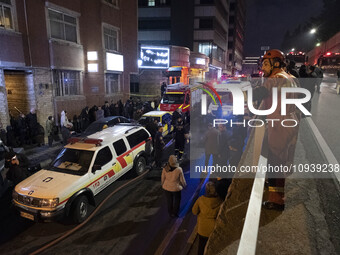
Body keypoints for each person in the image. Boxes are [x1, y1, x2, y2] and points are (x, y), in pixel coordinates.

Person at [253, 49, 300, 211]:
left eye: (266, 64)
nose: (263, 68)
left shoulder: (276, 78)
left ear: (276, 64)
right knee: (273, 158)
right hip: (289, 122)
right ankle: (271, 185)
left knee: (276, 162)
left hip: (279, 125)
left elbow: (259, 93)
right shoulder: (290, 78)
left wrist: (241, 95)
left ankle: (277, 200)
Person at [192, 182, 222, 255]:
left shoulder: (201, 200)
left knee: (201, 247)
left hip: (202, 228)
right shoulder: (220, 201)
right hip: (213, 228)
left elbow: (194, 211)